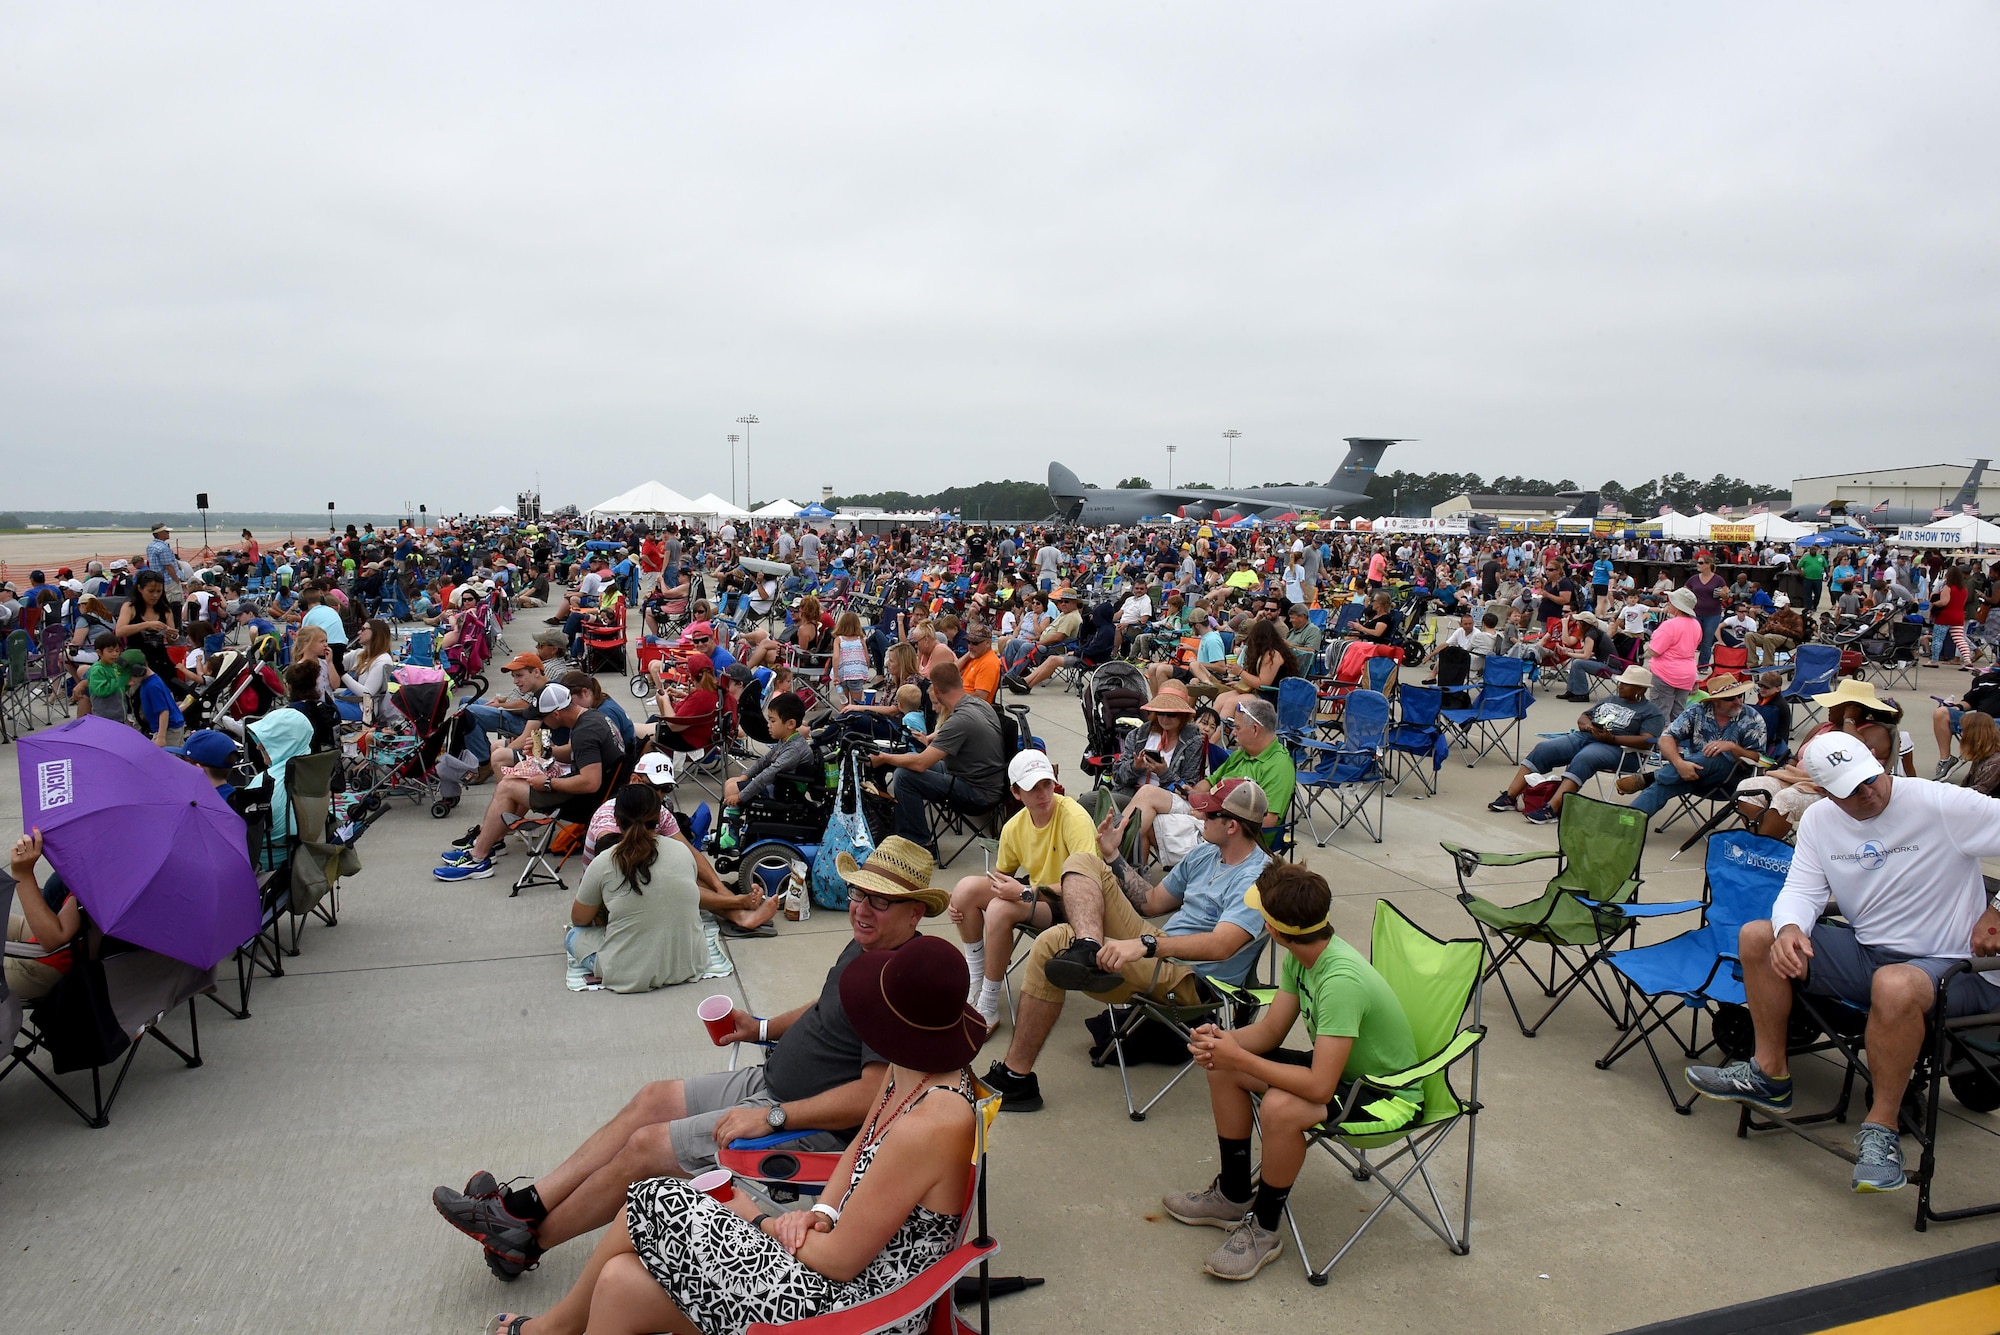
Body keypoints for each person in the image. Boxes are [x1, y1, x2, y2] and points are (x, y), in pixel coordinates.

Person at [432, 838, 946, 1281]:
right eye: (859, 893)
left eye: (880, 902)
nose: (861, 908)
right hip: (770, 1081)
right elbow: (826, 1006)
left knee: (645, 1148)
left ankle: (525, 1243)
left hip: (797, 1120)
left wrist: (770, 1116)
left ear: (914, 913)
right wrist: (761, 1027)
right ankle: (520, 1208)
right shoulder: (865, 949)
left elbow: (872, 1097)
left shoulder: (900, 986)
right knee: (651, 1098)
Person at [1684, 734, 2000, 1193]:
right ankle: (1769, 1073)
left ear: (1877, 761)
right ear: (1823, 790)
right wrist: (1791, 927)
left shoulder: (1939, 802)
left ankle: (1881, 1130)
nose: (1866, 792)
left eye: (1869, 779)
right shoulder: (1819, 820)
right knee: (1759, 935)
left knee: (1893, 985)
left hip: (1955, 968)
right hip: (1870, 954)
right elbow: (1801, 891)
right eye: (1849, 790)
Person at [1164, 861, 1420, 1281]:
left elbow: (1318, 1087)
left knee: (1282, 1107)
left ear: (1276, 930)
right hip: (1341, 1075)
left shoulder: (1340, 980)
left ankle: (1264, 1229)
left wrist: (1240, 1057)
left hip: (1385, 1095)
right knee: (1222, 1067)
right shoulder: (1301, 955)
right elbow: (1268, 1032)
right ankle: (1232, 1194)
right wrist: (1223, 1042)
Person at [981, 778, 1272, 1114]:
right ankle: (1019, 1077)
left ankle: (1017, 1075)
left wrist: (1147, 946)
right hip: (1160, 950)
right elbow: (1150, 902)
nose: (1198, 816)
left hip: (1195, 980)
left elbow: (1222, 946)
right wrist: (1113, 855)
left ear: (1232, 825)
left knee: (1053, 941)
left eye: (1207, 815)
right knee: (1079, 869)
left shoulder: (1258, 879)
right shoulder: (1206, 853)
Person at [945, 750, 1099, 1026]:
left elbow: (1087, 884)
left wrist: (1025, 892)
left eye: (1046, 785)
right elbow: (1001, 878)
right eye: (1032, 788)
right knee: (966, 889)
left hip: (1077, 906)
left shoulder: (1073, 817)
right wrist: (956, 902)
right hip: (1040, 897)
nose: (1043, 794)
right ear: (1016, 792)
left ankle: (989, 1005)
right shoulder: (1015, 826)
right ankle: (975, 977)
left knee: (1001, 908)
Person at [435, 683, 624, 882]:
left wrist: (549, 783)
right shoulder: (591, 717)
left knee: (507, 787)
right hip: (599, 793)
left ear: (557, 714)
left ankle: (478, 858)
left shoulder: (585, 731)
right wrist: (548, 751)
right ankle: (490, 843)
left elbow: (590, 783)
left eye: (542, 716)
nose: (540, 721)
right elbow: (579, 754)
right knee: (516, 778)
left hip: (586, 801)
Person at [565, 784, 709, 993]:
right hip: (690, 962)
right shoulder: (682, 851)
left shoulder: (604, 861)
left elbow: (579, 919)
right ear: (659, 819)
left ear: (616, 820)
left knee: (573, 935)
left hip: (628, 973)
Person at [1116, 697, 1294, 863]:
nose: (1232, 732)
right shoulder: (1243, 754)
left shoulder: (1279, 766)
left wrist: (1210, 813)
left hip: (1232, 832)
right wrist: (1192, 792)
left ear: (1255, 730)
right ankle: (1118, 862)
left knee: (1144, 818)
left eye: (1237, 728)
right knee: (1147, 799)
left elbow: (1267, 821)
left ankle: (1113, 858)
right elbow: (1209, 782)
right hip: (1207, 811)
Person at [1488, 666, 1664, 823]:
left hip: (1622, 750)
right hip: (1588, 737)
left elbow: (1647, 741)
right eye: (1621, 682)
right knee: (1544, 748)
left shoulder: (1651, 712)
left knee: (1585, 757)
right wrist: (1588, 725)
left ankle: (1552, 809)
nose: (1620, 686)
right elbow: (1584, 716)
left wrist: (1613, 739)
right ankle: (1510, 797)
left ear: (1640, 689)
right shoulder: (1611, 699)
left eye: (1626, 684)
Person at [868, 662, 1006, 851]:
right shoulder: (979, 704)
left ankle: (920, 844)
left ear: (938, 692)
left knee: (905, 776)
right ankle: (903, 829)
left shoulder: (960, 720)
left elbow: (921, 764)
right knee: (905, 762)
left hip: (977, 793)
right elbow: (943, 737)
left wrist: (884, 758)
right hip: (981, 778)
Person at [1618, 672, 1767, 819]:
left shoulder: (1752, 718)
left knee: (1714, 754)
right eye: (1730, 698)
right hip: (1691, 774)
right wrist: (1679, 764)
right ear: (1716, 701)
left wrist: (1733, 747)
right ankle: (1627, 823)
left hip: (1734, 778)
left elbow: (1763, 761)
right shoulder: (1698, 711)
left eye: (1740, 696)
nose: (1738, 701)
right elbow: (1666, 738)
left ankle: (1651, 777)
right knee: (1661, 786)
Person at [1107, 681, 1207, 817]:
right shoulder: (1139, 735)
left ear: (1183, 714)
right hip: (1130, 793)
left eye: (1171, 714)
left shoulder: (1193, 742)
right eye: (1160, 713)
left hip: (1164, 800)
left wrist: (1164, 773)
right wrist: (1136, 767)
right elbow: (1118, 776)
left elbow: (1188, 788)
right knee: (1089, 801)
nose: (1165, 718)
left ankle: (1117, 833)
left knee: (1119, 810)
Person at [6, 829, 80, 1003]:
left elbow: (54, 939)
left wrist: (22, 873)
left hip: (49, 964)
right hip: (63, 942)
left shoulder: (107, 875)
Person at [722, 691, 815, 809]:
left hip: (784, 791)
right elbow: (764, 760)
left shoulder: (794, 749)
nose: (768, 725)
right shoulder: (786, 740)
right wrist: (745, 775)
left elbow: (769, 773)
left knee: (732, 788)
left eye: (773, 721)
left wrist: (741, 796)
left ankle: (733, 824)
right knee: (730, 782)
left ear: (790, 724)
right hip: (778, 784)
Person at [1213, 616, 1303, 717]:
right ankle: (1209, 728)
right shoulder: (1261, 653)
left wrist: (1240, 672)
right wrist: (1241, 682)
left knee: (1231, 703)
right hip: (1258, 692)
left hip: (1273, 697)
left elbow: (1263, 684)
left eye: (1248, 639)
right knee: (1221, 698)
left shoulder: (1273, 655)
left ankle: (1219, 732)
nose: (1245, 643)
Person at [1643, 587, 1702, 720]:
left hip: (1666, 673)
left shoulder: (1669, 625)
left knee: (1660, 713)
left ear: (1677, 606)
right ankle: (1676, 739)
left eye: (1671, 601)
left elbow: (1654, 651)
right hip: (1687, 673)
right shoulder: (1696, 624)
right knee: (1678, 714)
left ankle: (1660, 740)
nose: (1668, 603)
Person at [122, 649, 186, 748]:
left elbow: (164, 712)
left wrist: (161, 737)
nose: (130, 682)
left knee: (166, 759)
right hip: (165, 727)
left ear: (139, 671)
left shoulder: (152, 686)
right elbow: (169, 694)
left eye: (130, 678)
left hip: (168, 729)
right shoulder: (150, 680)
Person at [955, 623, 1002, 704]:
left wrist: (952, 696)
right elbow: (950, 672)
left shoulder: (989, 662)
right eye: (968, 642)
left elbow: (980, 697)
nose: (970, 646)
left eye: (975, 643)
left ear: (987, 643)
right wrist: (968, 655)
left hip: (971, 708)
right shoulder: (974, 656)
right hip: (962, 702)